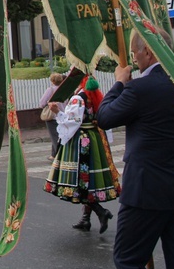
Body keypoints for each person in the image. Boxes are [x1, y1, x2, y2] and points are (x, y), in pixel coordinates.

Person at [97, 29, 174, 269]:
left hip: (146, 191)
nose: (134, 60)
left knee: (127, 260)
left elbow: (104, 117)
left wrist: (118, 82)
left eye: (136, 53)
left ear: (147, 51)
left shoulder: (140, 88)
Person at [44, 74, 120, 234]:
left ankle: (100, 211)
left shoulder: (79, 97)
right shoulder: (94, 95)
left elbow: (71, 121)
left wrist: (57, 112)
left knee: (80, 182)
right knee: (89, 181)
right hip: (94, 139)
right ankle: (86, 219)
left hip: (81, 141)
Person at [38, 72, 66, 160]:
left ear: (52, 81)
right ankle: (53, 155)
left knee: (55, 136)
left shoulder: (50, 89)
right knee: (60, 134)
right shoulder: (64, 89)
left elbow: (42, 103)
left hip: (53, 116)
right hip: (63, 114)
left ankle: (59, 156)